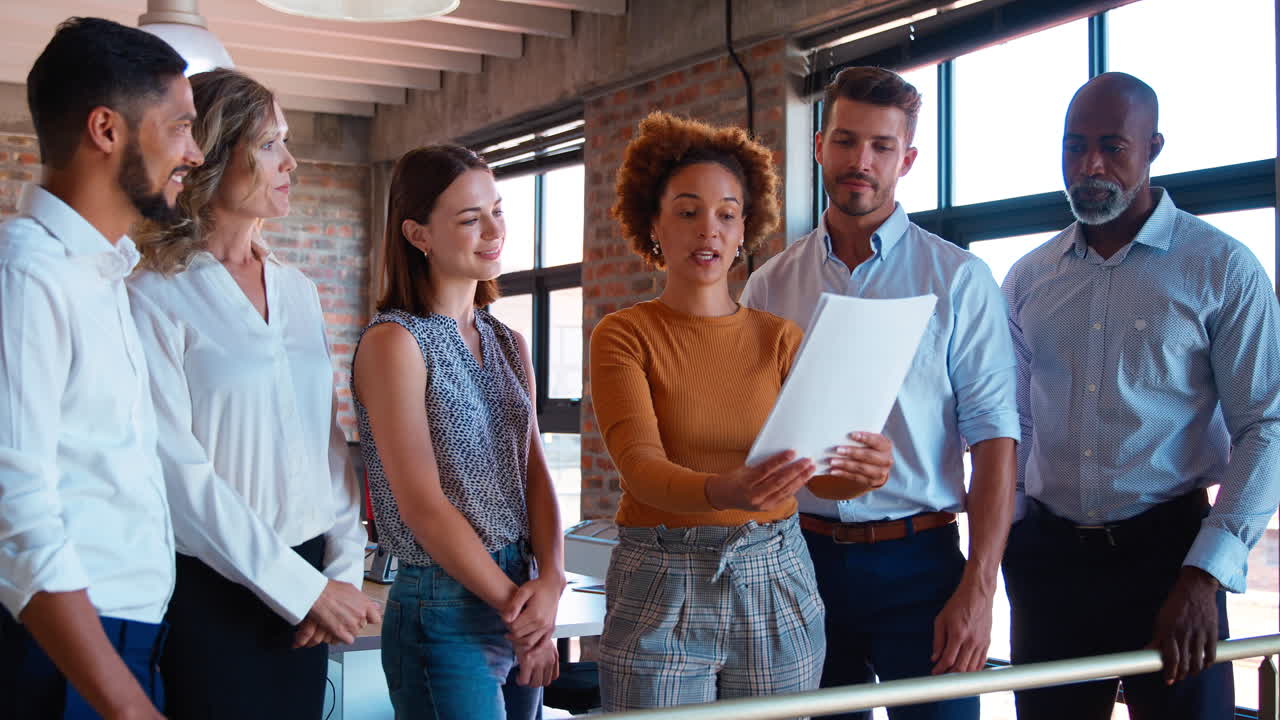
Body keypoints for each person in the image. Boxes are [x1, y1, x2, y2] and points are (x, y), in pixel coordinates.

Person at [589, 111, 895, 712]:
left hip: (775, 573)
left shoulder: (779, 338)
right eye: (687, 211)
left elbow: (814, 471)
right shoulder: (625, 334)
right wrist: (726, 488)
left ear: (744, 228)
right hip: (662, 578)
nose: (709, 229)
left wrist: (864, 470)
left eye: (727, 213)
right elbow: (640, 469)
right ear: (652, 224)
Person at [740, 67, 1020, 720]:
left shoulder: (959, 281)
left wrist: (979, 592)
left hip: (921, 569)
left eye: (881, 146)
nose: (859, 161)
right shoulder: (770, 287)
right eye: (845, 141)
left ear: (908, 158)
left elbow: (996, 439)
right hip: (799, 562)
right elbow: (749, 436)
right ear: (818, 146)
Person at [1000, 72, 1280, 720]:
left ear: (1153, 147)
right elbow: (1011, 423)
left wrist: (1205, 575)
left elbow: (1265, 426)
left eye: (1111, 147)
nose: (1089, 165)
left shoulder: (1221, 268)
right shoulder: (1026, 279)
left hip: (1170, 562)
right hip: (1050, 567)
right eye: (1073, 147)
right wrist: (1008, 544)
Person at [127, 67, 380, 719]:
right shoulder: (152, 292)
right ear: (212, 153)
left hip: (313, 596)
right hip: (213, 594)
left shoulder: (297, 290)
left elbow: (328, 445)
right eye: (270, 144)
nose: (290, 161)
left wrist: (343, 572)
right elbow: (179, 477)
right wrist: (300, 588)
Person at [0, 17, 204, 720]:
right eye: (179, 126)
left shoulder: (103, 273)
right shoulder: (26, 275)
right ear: (107, 130)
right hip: (61, 653)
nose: (195, 152)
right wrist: (123, 705)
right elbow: (14, 508)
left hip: (120, 644)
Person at [351, 144, 564, 719]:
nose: (493, 229)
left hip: (521, 589)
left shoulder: (507, 342)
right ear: (418, 235)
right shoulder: (394, 342)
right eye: (470, 219)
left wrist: (552, 580)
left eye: (497, 209)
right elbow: (422, 505)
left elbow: (536, 474)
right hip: (442, 605)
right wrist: (518, 611)